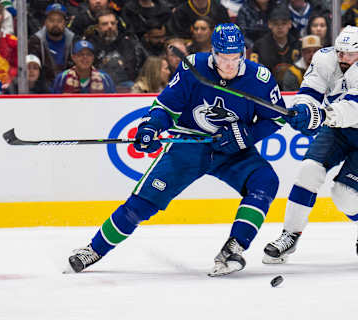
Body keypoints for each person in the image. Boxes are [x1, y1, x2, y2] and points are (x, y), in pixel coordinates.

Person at [67, 23, 286, 276]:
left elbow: (277, 119)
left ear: (243, 54)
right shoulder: (193, 67)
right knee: (140, 205)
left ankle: (233, 248)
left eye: (235, 58)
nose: (229, 64)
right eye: (224, 58)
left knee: (265, 181)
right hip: (190, 146)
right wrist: (151, 127)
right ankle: (93, 250)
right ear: (214, 53)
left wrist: (244, 136)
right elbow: (167, 107)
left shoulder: (260, 78)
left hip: (233, 150)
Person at [262, 26, 358, 264]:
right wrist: (304, 108)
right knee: (309, 171)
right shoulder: (324, 58)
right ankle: (289, 235)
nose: (342, 58)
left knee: (344, 196)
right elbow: (310, 89)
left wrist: (320, 116)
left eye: (349, 54)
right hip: (339, 128)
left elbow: (356, 109)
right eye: (340, 52)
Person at [86, 8, 148, 92]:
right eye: (105, 24)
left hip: (127, 85)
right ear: (97, 27)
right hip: (98, 86)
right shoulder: (90, 45)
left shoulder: (129, 42)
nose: (110, 27)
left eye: (113, 23)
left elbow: (140, 66)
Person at [28, 3, 76, 89]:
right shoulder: (35, 41)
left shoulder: (73, 41)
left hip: (69, 89)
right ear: (45, 22)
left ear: (65, 23)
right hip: (42, 90)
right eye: (51, 20)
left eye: (59, 21)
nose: (55, 24)